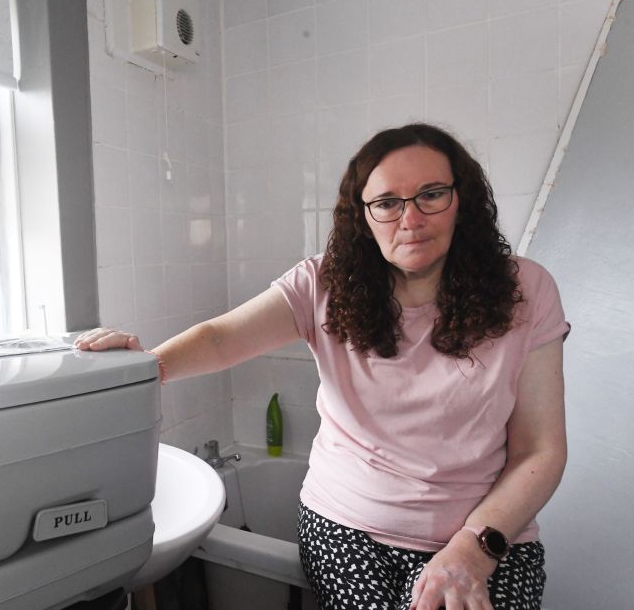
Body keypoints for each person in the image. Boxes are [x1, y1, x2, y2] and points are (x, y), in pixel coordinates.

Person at [75, 123, 568, 610]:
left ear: (462, 201)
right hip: (346, 525)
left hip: (486, 534)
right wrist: (145, 368)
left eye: (431, 194)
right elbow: (222, 338)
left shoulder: (526, 291)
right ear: (364, 215)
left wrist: (473, 550)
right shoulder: (324, 283)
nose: (410, 219)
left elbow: (540, 450)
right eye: (387, 203)